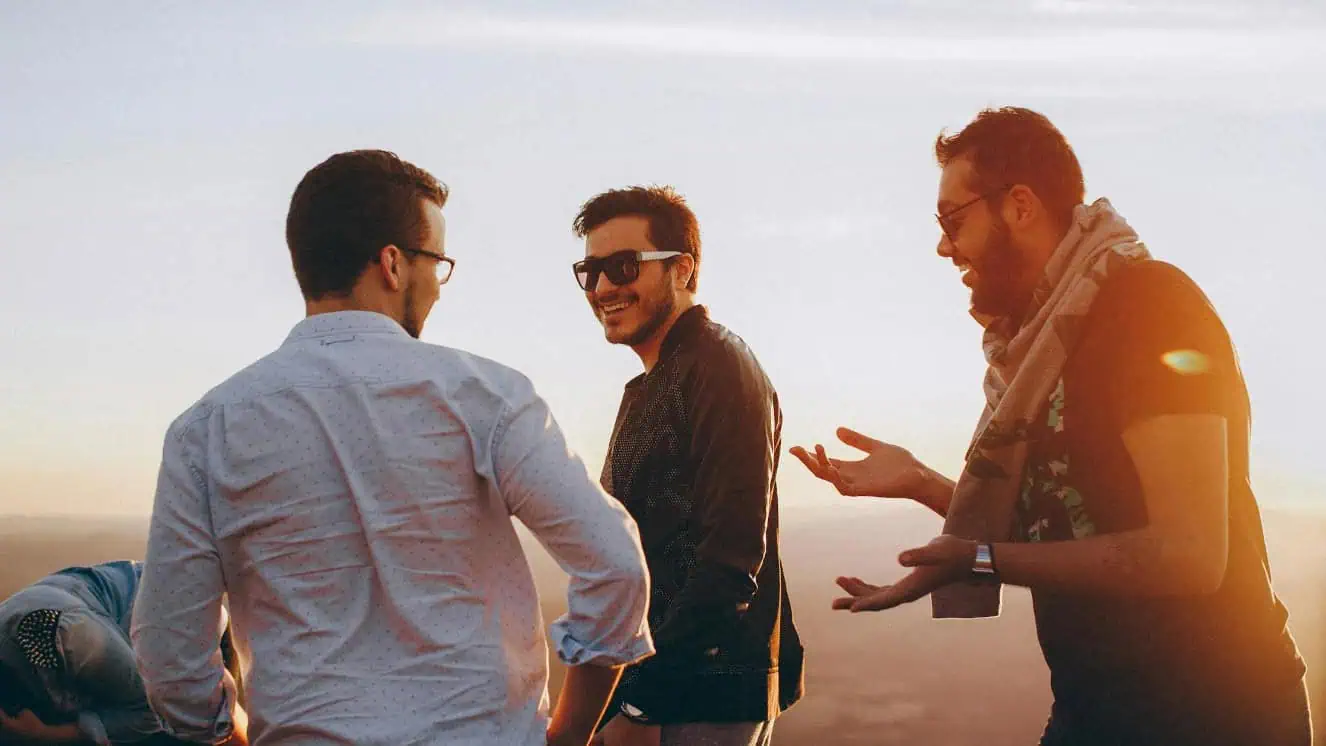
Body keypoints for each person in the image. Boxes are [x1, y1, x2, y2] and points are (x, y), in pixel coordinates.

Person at [791, 107, 1312, 745]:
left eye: (953, 220)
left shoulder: (1149, 307)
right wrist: (923, 483)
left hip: (1215, 712)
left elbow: (1188, 555)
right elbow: (1065, 526)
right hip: (1093, 708)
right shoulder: (1038, 349)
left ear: (1019, 206)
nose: (942, 245)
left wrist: (980, 559)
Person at [131, 149, 655, 746]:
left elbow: (171, 653)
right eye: (437, 262)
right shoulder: (485, 398)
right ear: (393, 264)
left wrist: (230, 736)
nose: (437, 285)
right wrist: (567, 737)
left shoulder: (206, 430)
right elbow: (614, 567)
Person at [572, 186, 805, 746]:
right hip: (662, 695)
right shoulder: (657, 382)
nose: (603, 287)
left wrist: (638, 700)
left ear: (682, 270)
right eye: (590, 270)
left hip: (696, 701)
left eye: (624, 266)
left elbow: (730, 562)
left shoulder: (720, 366)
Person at [0, 560, 241, 746]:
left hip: (177, 620)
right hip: (113, 644)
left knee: (203, 730)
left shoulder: (63, 634)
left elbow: (150, 713)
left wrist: (47, 736)